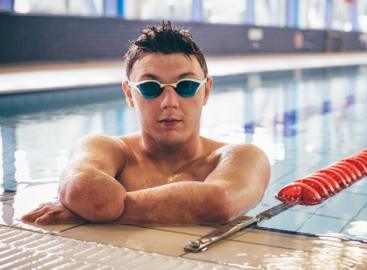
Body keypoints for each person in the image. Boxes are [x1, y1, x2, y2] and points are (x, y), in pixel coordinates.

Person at [22, 22, 270, 225]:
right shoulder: (104, 147)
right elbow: (81, 190)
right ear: (129, 94)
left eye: (186, 86)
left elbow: (220, 202)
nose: (169, 102)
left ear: (205, 91)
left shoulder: (244, 156)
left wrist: (91, 213)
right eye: (151, 88)